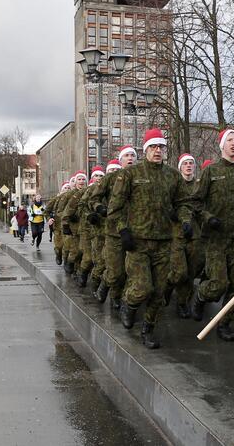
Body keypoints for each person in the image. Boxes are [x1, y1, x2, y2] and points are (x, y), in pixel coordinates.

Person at [108, 129, 193, 349]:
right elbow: (115, 207)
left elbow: (183, 202)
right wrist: (123, 230)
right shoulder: (130, 174)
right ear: (145, 149)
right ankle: (129, 303)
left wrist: (184, 220)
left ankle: (148, 329)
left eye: (161, 147)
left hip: (164, 241)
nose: (157, 151)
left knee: (159, 292)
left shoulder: (172, 175)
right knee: (143, 287)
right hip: (138, 242)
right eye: (153, 147)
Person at [190, 129, 234, 341]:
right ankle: (201, 296)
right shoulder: (211, 172)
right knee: (218, 283)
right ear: (222, 145)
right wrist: (208, 217)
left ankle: (225, 324)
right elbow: (197, 202)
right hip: (215, 238)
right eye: (230, 140)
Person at [89, 150, 136, 309]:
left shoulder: (141, 177)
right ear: (120, 160)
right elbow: (93, 198)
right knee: (116, 272)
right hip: (114, 231)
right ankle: (105, 285)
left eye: (133, 156)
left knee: (132, 272)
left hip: (136, 232)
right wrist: (99, 208)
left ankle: (122, 299)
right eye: (127, 156)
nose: (130, 158)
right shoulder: (110, 178)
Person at [168, 153, 203, 318]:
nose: (188, 166)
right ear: (180, 167)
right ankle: (168, 285)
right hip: (177, 234)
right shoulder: (174, 185)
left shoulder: (199, 186)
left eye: (191, 163)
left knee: (190, 272)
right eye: (185, 164)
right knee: (179, 271)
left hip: (195, 234)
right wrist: (172, 214)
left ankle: (182, 302)